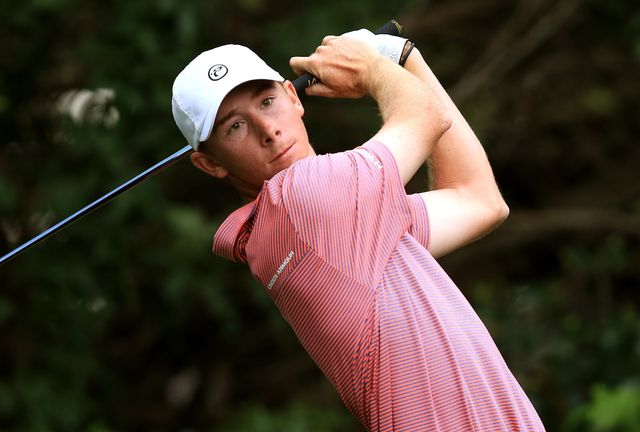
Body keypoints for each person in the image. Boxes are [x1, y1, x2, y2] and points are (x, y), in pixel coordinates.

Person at [171, 29, 545, 431]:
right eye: (235, 127)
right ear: (210, 164)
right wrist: (374, 66)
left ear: (293, 98)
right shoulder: (304, 197)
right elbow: (427, 115)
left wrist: (398, 57)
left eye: (266, 101)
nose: (268, 130)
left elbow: (479, 201)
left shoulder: (330, 226)